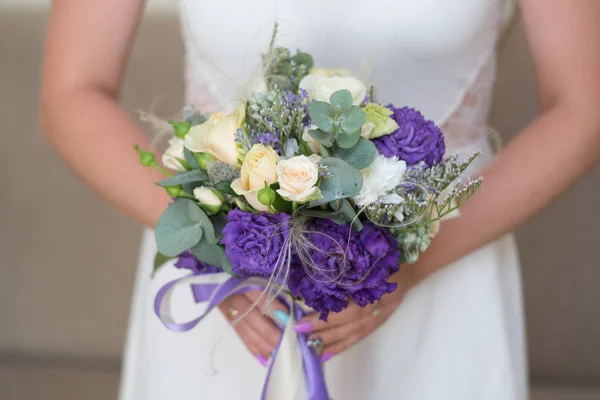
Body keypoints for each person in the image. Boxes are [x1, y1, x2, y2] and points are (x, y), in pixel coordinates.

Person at [39, 0, 600, 399]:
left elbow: (583, 107)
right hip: (226, 292)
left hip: (445, 269)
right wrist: (221, 252)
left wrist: (411, 261)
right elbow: (73, 91)